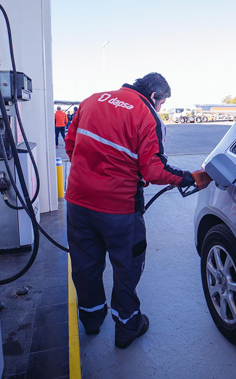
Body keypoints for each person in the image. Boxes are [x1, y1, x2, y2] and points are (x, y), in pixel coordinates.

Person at [64, 72, 212, 349]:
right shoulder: (146, 115)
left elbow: (70, 145)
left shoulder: (92, 100)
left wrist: (90, 175)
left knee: (84, 265)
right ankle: (128, 326)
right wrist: (188, 178)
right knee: (126, 267)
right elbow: (154, 169)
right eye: (162, 104)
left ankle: (92, 321)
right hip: (119, 209)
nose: (160, 110)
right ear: (155, 96)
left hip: (78, 202)